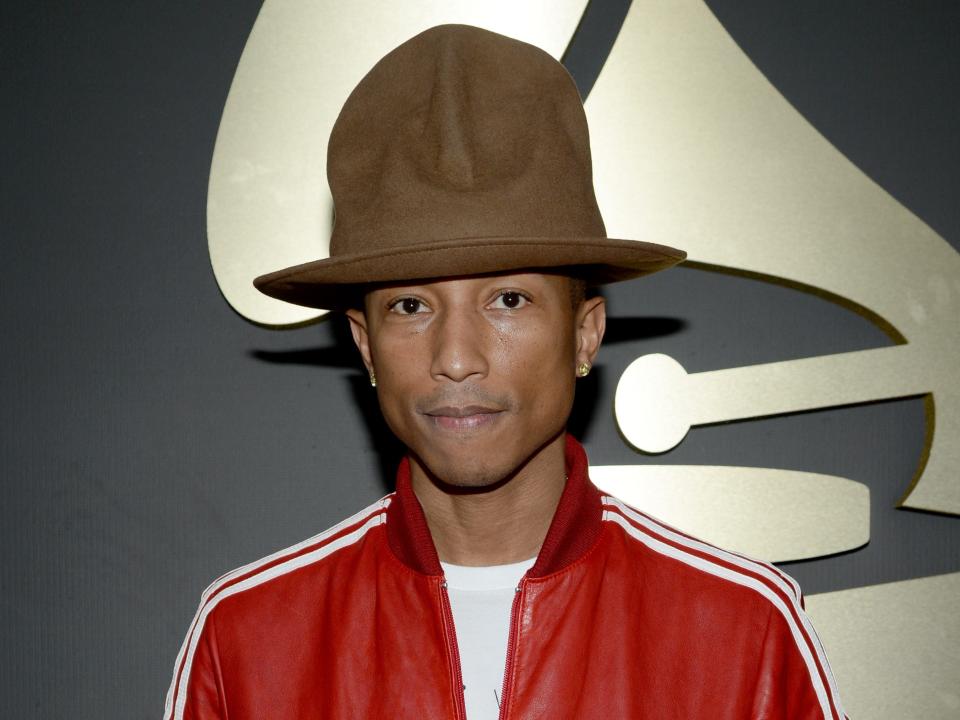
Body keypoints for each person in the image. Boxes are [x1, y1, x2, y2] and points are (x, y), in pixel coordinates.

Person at [164, 24, 846, 720]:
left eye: (508, 300)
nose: (457, 357)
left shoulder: (743, 631)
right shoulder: (244, 641)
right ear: (365, 346)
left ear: (585, 334)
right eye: (410, 305)